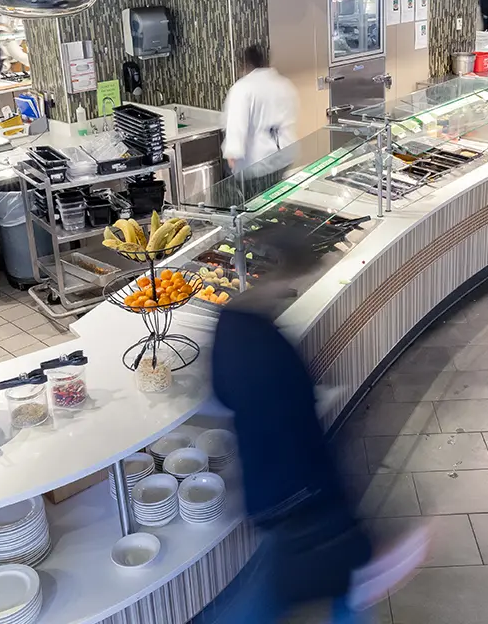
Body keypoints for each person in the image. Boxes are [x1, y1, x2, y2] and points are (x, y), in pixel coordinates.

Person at [196, 235, 374, 624]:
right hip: (297, 491)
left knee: (291, 585)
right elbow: (293, 423)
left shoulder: (230, 323)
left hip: (267, 487)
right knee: (281, 594)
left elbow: (226, 395)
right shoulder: (266, 344)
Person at [221, 44, 297, 198]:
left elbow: (237, 125)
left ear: (245, 64)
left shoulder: (242, 88)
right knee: (277, 198)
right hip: (284, 154)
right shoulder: (283, 83)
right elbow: (291, 116)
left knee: (256, 204)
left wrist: (232, 155)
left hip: (258, 161)